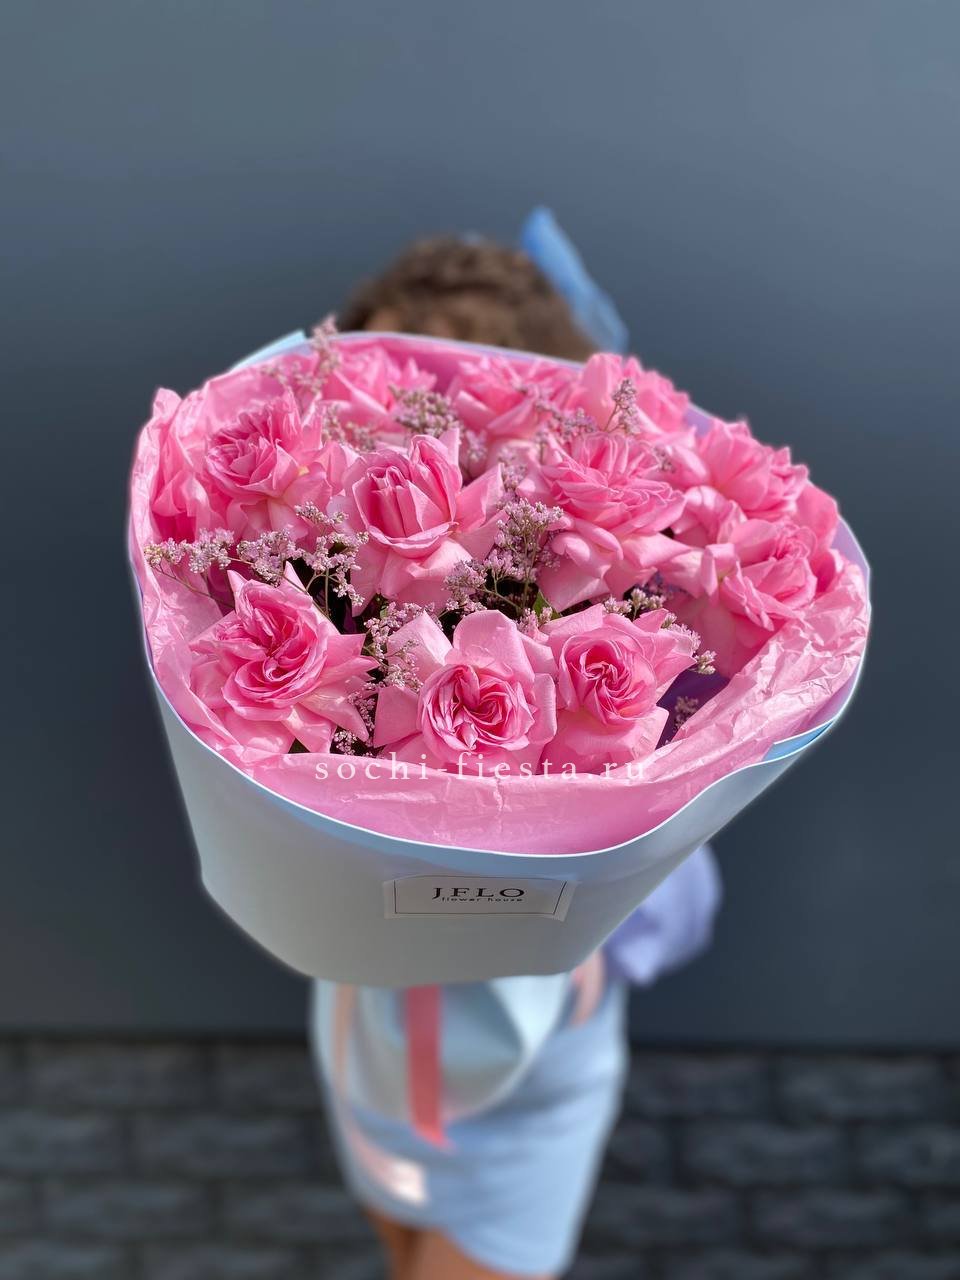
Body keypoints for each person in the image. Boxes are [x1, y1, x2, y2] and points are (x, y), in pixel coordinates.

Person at [310, 219, 721, 1280]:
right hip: (369, 1045)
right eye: (390, 398)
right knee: (399, 1244)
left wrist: (586, 908)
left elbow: (682, 895)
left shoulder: (622, 628)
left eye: (456, 401)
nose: (417, 434)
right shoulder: (328, 595)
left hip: (530, 1077)